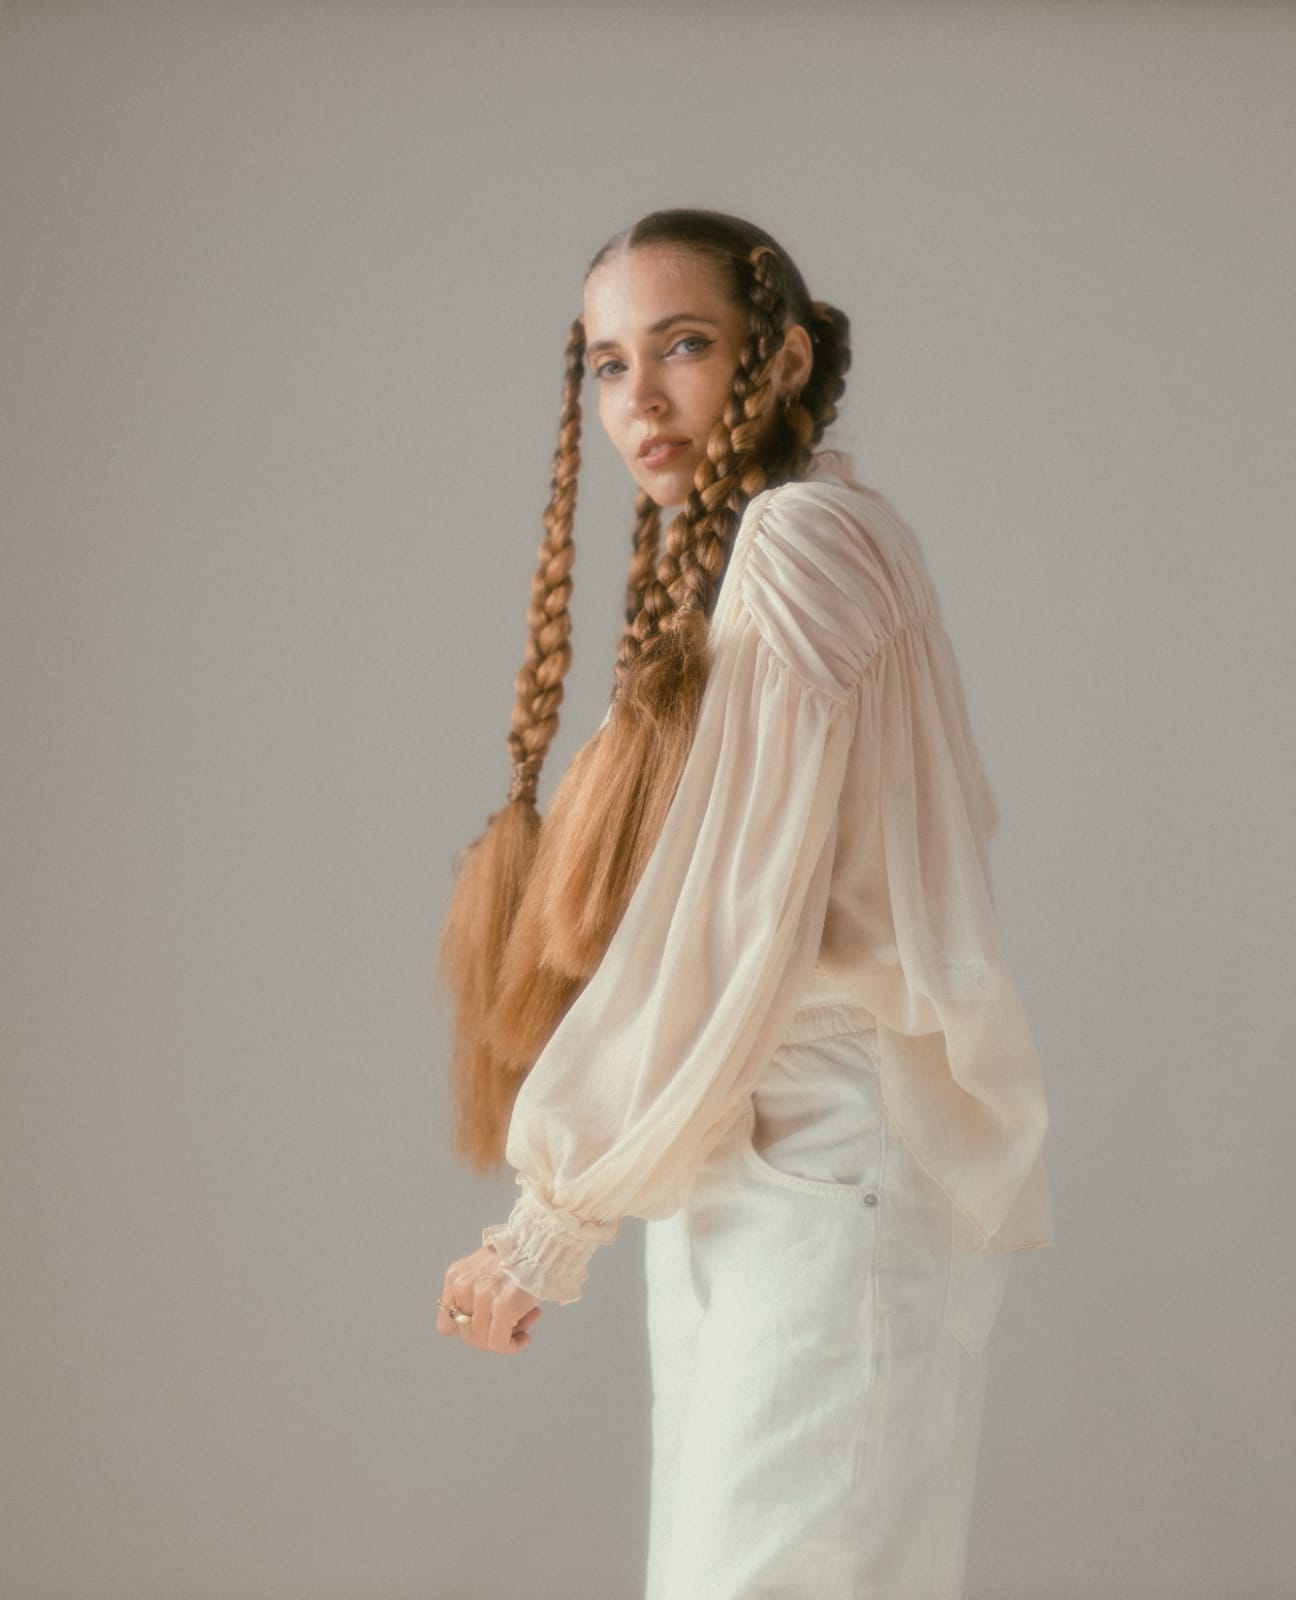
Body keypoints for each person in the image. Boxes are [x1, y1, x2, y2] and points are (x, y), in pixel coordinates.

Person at [433, 207, 1055, 1598]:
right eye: (608, 364)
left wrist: (551, 1221)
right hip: (763, 1162)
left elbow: (727, 926)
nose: (640, 398)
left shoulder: (803, 545)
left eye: (683, 346)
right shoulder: (782, 551)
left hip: (823, 1171)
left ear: (778, 360)